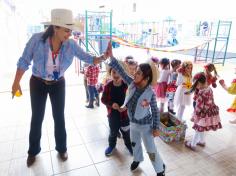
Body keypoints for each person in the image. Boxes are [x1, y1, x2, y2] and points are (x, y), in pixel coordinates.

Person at [11, 9, 111, 167]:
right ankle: (33, 151)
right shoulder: (37, 40)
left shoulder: (70, 45)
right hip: (37, 83)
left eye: (70, 31)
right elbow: (24, 61)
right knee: (37, 117)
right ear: (55, 28)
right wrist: (15, 83)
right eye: (66, 30)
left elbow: (87, 58)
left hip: (58, 84)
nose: (69, 34)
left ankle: (62, 148)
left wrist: (104, 57)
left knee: (59, 117)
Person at [107, 46, 165, 176]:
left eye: (138, 73)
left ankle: (160, 169)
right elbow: (122, 71)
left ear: (146, 78)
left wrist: (155, 128)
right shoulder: (132, 83)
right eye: (136, 72)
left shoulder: (150, 93)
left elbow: (155, 112)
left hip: (146, 127)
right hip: (133, 123)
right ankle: (137, 159)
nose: (135, 74)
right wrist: (111, 56)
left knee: (151, 149)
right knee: (135, 144)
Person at [185, 72, 222, 150]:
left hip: (202, 114)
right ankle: (201, 141)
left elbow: (199, 107)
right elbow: (211, 100)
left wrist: (194, 116)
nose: (196, 87)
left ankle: (193, 144)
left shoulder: (201, 93)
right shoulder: (209, 88)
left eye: (196, 85)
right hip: (210, 112)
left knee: (198, 129)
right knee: (201, 128)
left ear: (199, 83)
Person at [101, 67, 132, 156]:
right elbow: (103, 99)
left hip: (125, 115)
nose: (116, 75)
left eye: (119, 73)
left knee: (126, 133)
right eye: (114, 72)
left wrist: (126, 106)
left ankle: (129, 145)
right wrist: (111, 104)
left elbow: (131, 99)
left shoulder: (127, 86)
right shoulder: (108, 86)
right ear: (110, 73)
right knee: (113, 132)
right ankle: (112, 145)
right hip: (113, 115)